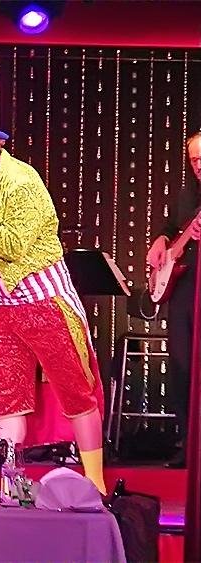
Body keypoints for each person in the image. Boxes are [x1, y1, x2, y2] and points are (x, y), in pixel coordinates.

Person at [0, 61, 107, 493]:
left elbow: (13, 244)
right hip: (2, 306)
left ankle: (96, 485)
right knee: (9, 398)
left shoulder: (21, 181)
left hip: (44, 303)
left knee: (76, 392)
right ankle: (7, 487)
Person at [146, 131, 201, 468]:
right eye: (193, 160)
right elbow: (170, 226)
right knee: (181, 366)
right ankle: (187, 442)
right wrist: (161, 239)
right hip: (183, 288)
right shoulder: (186, 192)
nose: (198, 165)